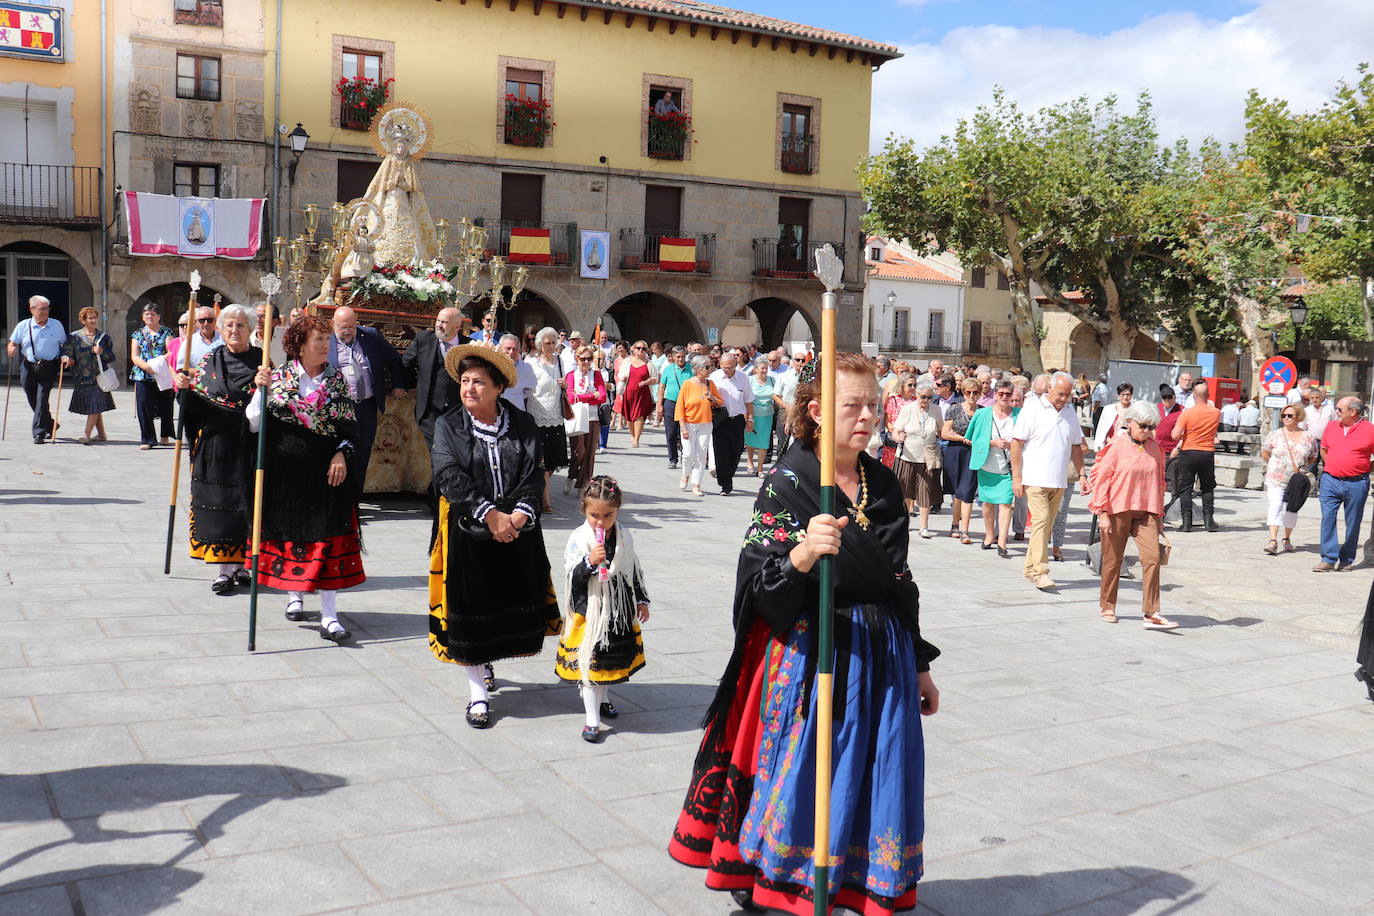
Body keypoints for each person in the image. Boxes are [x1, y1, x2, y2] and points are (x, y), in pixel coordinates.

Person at [668, 352, 939, 916]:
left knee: (867, 771)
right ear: (816, 411)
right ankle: (771, 874)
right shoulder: (789, 480)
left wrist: (919, 662)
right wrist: (802, 553)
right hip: (807, 652)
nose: (867, 417)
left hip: (879, 658)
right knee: (797, 771)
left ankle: (848, 879)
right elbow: (757, 585)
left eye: (873, 405)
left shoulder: (883, 483)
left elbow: (899, 581)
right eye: (852, 406)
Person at [428, 343, 561, 728]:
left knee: (506, 604)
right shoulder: (448, 425)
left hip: (516, 529)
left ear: (499, 387)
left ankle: (488, 662)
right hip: (468, 528)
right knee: (470, 610)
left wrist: (517, 515)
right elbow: (448, 474)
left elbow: (533, 472)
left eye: (479, 383)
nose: (469, 389)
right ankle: (477, 694)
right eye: (465, 381)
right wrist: (490, 515)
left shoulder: (522, 422)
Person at [247, 315, 365, 643]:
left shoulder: (337, 380)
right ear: (299, 344)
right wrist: (261, 389)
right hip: (287, 472)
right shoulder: (279, 377)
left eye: (327, 341)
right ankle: (294, 595)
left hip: (326, 472)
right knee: (291, 534)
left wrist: (341, 453)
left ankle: (330, 616)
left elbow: (350, 427)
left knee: (325, 537)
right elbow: (254, 423)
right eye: (318, 341)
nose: (325, 346)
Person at [173, 304, 261, 595]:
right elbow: (194, 406)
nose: (235, 331)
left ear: (251, 330)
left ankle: (243, 565)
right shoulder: (211, 360)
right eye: (230, 326)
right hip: (215, 444)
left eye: (241, 326)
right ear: (221, 330)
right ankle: (223, 571)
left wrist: (266, 386)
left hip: (248, 443)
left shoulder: (262, 363)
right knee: (220, 505)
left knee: (246, 503)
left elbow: (275, 405)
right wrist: (184, 389)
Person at [555, 476, 650, 743]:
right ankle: (591, 719)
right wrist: (589, 562)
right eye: (594, 515)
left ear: (618, 510)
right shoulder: (578, 538)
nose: (601, 521)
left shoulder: (624, 537)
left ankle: (604, 699)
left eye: (608, 515)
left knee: (609, 665)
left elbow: (633, 570)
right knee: (589, 666)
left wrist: (641, 600)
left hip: (617, 610)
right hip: (589, 612)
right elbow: (571, 575)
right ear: (584, 510)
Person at [1084, 402, 1176, 629]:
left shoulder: (1156, 449)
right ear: (1130, 423)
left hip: (1147, 511)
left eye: (1150, 426)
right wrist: (1102, 512)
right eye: (1142, 425)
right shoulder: (1117, 446)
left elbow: (1160, 482)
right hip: (1118, 509)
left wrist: (1160, 515)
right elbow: (1102, 478)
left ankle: (1151, 612)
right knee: (1113, 560)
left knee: (1153, 558)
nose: (1146, 430)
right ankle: (1108, 605)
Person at [1011, 373, 1085, 591]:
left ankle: (1029, 567)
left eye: (1068, 395)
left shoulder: (1071, 412)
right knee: (1041, 521)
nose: (1064, 398)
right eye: (1061, 394)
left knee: (1045, 526)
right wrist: (1017, 478)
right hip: (1034, 478)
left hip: (1058, 479)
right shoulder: (1032, 409)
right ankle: (1040, 571)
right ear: (1049, 389)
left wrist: (1082, 474)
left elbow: (1075, 445)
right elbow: (1016, 443)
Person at [329, 306, 405, 499]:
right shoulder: (325, 340)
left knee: (362, 453)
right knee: (336, 451)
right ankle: (334, 497)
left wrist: (397, 384)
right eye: (342, 327)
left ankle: (354, 499)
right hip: (337, 407)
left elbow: (395, 359)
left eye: (351, 326)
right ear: (333, 325)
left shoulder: (370, 336)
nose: (347, 331)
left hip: (365, 406)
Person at [1314, 397, 1374, 572]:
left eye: (1339, 409)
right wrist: (1333, 466)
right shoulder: (1332, 426)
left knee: (1353, 522)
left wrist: (1363, 469)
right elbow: (1324, 450)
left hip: (1356, 483)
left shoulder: (1370, 430)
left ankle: (1346, 559)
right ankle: (1328, 558)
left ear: (1353, 412)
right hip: (1330, 480)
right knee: (1328, 519)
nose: (1336, 412)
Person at [7, 295, 73, 443]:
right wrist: (11, 349)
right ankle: (50, 424)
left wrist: (65, 356)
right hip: (28, 366)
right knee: (32, 398)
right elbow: (12, 343)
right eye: (42, 309)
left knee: (42, 397)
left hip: (48, 366)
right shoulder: (23, 325)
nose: (45, 312)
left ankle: (39, 432)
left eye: (47, 309)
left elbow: (65, 345)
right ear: (32, 309)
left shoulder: (56, 325)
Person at [967, 378, 1016, 557]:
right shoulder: (982, 414)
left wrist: (1011, 445)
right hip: (987, 465)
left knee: (1005, 504)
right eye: (1001, 393)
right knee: (987, 503)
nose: (1004, 397)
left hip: (1009, 468)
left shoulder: (1019, 414)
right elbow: (970, 439)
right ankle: (989, 535)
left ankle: (1002, 541)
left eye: (1008, 394)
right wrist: (992, 443)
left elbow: (1026, 440)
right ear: (995, 394)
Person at [402, 306, 464, 447]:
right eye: (438, 321)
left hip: (457, 412)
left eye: (444, 322)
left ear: (456, 326)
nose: (439, 325)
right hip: (429, 411)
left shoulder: (467, 345)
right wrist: (413, 386)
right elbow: (406, 363)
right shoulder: (424, 339)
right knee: (432, 453)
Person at [1260, 403, 1318, 556]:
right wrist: (1277, 466)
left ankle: (1286, 538)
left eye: (1289, 415)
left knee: (1292, 508)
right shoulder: (1274, 435)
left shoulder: (1308, 437)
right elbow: (1265, 453)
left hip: (1297, 480)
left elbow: (1312, 457)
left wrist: (1299, 467)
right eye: (1283, 415)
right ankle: (1272, 540)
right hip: (1276, 477)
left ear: (1298, 417)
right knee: (1276, 505)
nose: (1285, 418)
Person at [525, 327, 571, 513]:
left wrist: (564, 384)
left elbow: (565, 385)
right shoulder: (531, 362)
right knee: (541, 460)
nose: (551, 346)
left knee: (552, 460)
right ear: (539, 344)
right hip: (536, 416)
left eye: (554, 343)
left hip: (556, 416)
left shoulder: (559, 361)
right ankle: (545, 499)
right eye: (548, 343)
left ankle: (541, 490)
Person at [1170, 379, 1221, 533]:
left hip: (1189, 452)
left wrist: (1186, 432)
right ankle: (1208, 521)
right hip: (1207, 453)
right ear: (1208, 395)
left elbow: (1174, 435)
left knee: (1185, 488)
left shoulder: (1187, 413)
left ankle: (1186, 523)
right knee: (1207, 487)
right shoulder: (1216, 413)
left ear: (1194, 395)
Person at [892, 383, 943, 536]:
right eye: (923, 397)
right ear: (916, 395)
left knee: (925, 491)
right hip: (907, 456)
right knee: (906, 491)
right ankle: (906, 521)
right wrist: (898, 437)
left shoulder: (936, 410)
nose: (926, 400)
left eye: (929, 397)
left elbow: (941, 429)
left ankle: (923, 526)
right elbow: (896, 430)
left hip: (927, 457)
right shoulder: (908, 409)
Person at [64, 307, 117, 444]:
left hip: (99, 377)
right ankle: (101, 434)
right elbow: (67, 353)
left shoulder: (104, 337)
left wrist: (102, 352)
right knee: (95, 406)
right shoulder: (74, 337)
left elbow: (111, 357)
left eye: (95, 317)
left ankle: (86, 435)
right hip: (81, 377)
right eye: (90, 318)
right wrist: (68, 360)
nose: (93, 320)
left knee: (94, 404)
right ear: (83, 320)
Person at [940, 378, 981, 543]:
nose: (971, 395)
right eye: (968, 392)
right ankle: (955, 525)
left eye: (975, 392)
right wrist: (963, 439)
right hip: (955, 452)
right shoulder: (955, 408)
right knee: (957, 491)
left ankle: (965, 530)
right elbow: (944, 433)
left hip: (974, 453)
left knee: (968, 491)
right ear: (963, 393)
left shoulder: (983, 411)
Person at [129, 303, 175, 449]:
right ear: (143, 317)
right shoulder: (137, 334)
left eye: (153, 314)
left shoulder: (167, 332)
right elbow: (134, 356)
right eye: (147, 314)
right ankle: (147, 440)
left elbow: (171, 351)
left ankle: (165, 434)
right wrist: (146, 367)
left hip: (162, 373)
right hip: (142, 374)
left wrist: (157, 364)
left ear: (159, 317)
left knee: (166, 406)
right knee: (143, 407)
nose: (149, 316)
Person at [675, 355, 722, 497]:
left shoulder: (710, 384)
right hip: (689, 424)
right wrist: (682, 427)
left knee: (701, 455)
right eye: (707, 367)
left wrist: (712, 398)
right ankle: (685, 474)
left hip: (706, 423)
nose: (710, 370)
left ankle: (697, 484)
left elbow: (720, 402)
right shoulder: (687, 384)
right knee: (688, 454)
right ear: (697, 369)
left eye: (711, 367)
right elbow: (680, 407)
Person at [709, 352, 753, 497]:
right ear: (720, 365)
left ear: (735, 365)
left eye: (730, 367)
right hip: (720, 419)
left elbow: (748, 401)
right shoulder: (714, 377)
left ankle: (728, 476)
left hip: (738, 419)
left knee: (737, 450)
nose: (727, 370)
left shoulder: (743, 378)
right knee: (721, 452)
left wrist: (750, 419)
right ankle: (725, 483)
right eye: (724, 367)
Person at [564, 345, 607, 495]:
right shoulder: (571, 375)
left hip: (593, 417)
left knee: (590, 453)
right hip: (577, 417)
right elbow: (571, 397)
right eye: (583, 359)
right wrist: (591, 396)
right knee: (579, 451)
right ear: (577, 359)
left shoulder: (596, 375)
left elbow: (602, 396)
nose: (586, 362)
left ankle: (583, 484)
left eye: (589, 359)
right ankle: (571, 475)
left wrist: (582, 396)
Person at [617, 340, 657, 447]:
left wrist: (648, 381)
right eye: (638, 348)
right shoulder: (627, 361)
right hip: (628, 392)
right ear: (633, 349)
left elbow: (656, 378)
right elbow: (620, 375)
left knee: (639, 415)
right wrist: (623, 378)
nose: (640, 350)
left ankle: (637, 439)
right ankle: (633, 434)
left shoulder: (649, 364)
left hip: (643, 394)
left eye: (643, 349)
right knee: (629, 416)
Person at [658, 346, 692, 470]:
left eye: (683, 356)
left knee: (685, 431)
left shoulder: (691, 369)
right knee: (671, 432)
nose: (681, 359)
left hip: (687, 404)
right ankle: (673, 459)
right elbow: (662, 387)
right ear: (673, 357)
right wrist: (659, 405)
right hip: (671, 403)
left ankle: (685, 456)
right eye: (678, 356)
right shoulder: (668, 369)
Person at [743, 357, 778, 475]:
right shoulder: (749, 380)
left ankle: (760, 468)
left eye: (766, 368)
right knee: (751, 439)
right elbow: (745, 398)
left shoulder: (772, 380)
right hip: (752, 414)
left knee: (764, 442)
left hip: (767, 415)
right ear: (756, 369)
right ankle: (750, 461)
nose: (764, 370)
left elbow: (776, 395)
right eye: (762, 368)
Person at [880, 373, 918, 468]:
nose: (913, 387)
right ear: (902, 385)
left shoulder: (917, 401)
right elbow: (887, 422)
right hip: (894, 440)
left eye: (915, 385)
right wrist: (897, 433)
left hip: (911, 441)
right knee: (890, 469)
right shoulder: (893, 400)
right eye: (910, 385)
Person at [496, 333, 537, 412]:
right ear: (500, 348)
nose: (511, 352)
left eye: (515, 349)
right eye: (508, 348)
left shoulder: (525, 368)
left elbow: (531, 388)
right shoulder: (492, 366)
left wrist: (517, 395)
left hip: (516, 412)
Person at [1092, 382, 1134, 451]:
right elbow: (1101, 428)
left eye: (1128, 395)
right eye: (1123, 394)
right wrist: (1098, 446)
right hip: (1110, 445)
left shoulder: (1135, 410)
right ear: (1118, 395)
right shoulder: (1109, 409)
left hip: (1128, 447)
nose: (1125, 397)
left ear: (1131, 396)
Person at [251, 301, 287, 366]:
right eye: (256, 316)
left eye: (263, 316)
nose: (258, 320)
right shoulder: (247, 340)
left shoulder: (285, 337)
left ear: (274, 322)